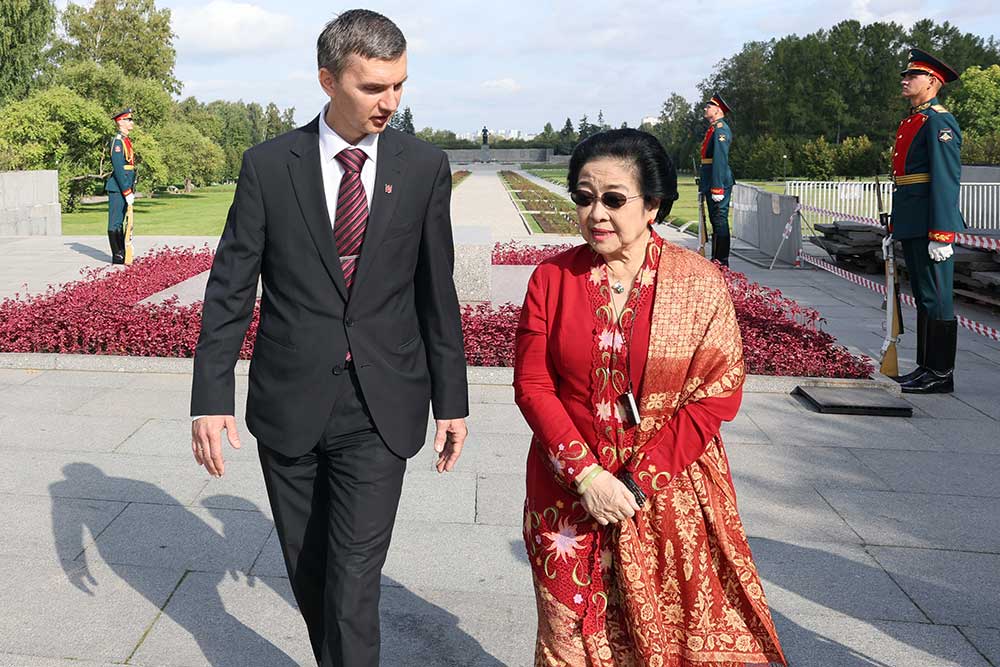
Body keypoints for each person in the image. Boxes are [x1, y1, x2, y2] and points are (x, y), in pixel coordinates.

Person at [189, 9, 469, 666]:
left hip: (383, 404)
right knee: (311, 573)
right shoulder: (267, 166)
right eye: (374, 87)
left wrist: (451, 399)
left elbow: (437, 289)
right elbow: (231, 286)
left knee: (352, 583)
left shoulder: (424, 166)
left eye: (399, 85)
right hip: (290, 403)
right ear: (327, 79)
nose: (390, 102)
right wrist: (210, 396)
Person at [515, 129, 785, 666]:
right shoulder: (552, 278)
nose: (596, 214)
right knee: (570, 637)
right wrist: (588, 477)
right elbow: (533, 384)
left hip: (667, 491)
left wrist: (637, 485)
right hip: (568, 492)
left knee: (671, 639)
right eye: (584, 197)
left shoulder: (699, 283)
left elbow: (717, 394)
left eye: (614, 200)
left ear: (653, 205)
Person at [890, 48, 964, 394]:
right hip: (913, 218)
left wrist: (942, 232)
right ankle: (925, 367)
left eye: (912, 76)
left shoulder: (939, 121)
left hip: (931, 223)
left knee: (937, 298)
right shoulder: (914, 120)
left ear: (933, 82)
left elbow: (945, 179)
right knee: (924, 296)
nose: (905, 81)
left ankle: (940, 372)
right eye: (905, 76)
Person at [699, 94, 734, 266]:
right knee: (716, 221)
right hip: (711, 180)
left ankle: (722, 260)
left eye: (709, 106)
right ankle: (716, 258)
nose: (706, 109)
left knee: (720, 220)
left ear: (718, 110)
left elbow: (720, 159)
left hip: (718, 182)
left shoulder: (721, 130)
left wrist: (717, 187)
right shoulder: (714, 128)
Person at [106, 108, 136, 265]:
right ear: (120, 122)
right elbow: (118, 168)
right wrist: (126, 190)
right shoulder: (117, 141)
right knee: (115, 222)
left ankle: (123, 253)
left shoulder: (126, 140)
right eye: (128, 120)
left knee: (123, 221)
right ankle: (117, 255)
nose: (131, 122)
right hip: (118, 188)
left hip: (125, 186)